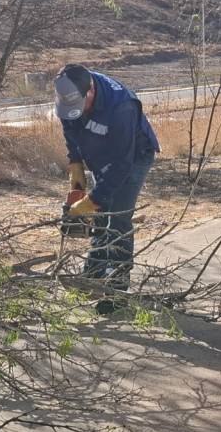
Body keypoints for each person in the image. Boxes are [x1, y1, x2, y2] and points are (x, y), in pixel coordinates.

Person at [54, 64, 158, 308]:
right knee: (100, 214)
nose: (74, 112)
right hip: (100, 153)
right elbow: (70, 129)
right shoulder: (68, 95)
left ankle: (117, 289)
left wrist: (92, 201)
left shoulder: (121, 106)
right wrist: (76, 164)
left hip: (132, 157)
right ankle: (94, 273)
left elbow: (121, 165)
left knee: (117, 217)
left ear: (90, 92)